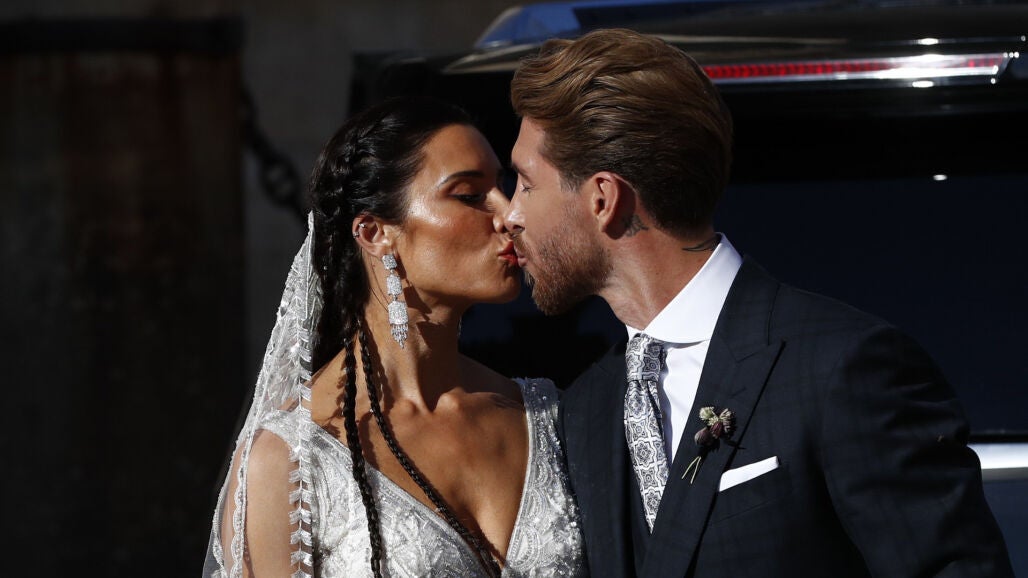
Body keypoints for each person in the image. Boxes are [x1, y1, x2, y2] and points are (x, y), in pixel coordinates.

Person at [503, 28, 1014, 578]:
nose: (510, 215)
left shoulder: (843, 368)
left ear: (603, 199)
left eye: (526, 184)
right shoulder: (585, 407)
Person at [204, 96, 585, 577]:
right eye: (470, 195)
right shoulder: (291, 459)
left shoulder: (548, 416)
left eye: (505, 188)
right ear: (374, 233)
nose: (508, 213)